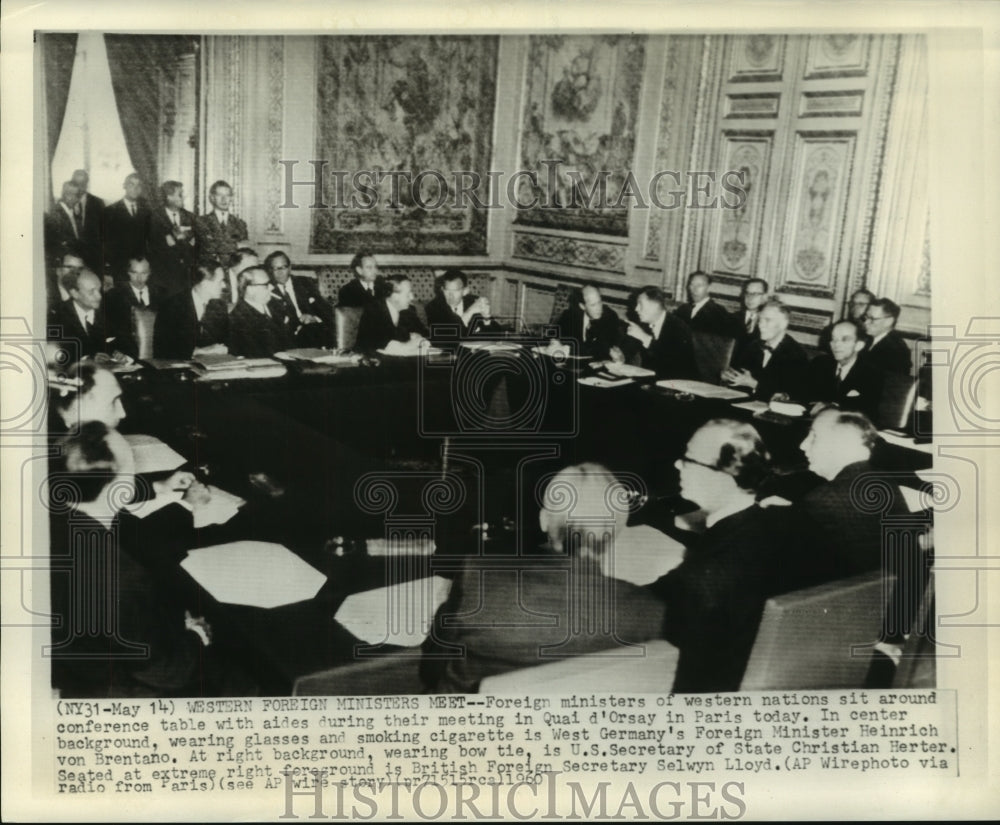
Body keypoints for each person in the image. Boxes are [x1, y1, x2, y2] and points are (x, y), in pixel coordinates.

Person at [422, 463, 667, 693]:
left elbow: (431, 668)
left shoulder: (480, 582)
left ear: (543, 520)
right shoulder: (648, 612)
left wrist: (447, 608)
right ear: (616, 531)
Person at [47, 421, 221, 697]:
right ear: (120, 483)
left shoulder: (48, 521)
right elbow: (165, 672)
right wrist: (195, 637)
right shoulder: (121, 578)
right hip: (108, 692)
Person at [647, 419, 804, 692]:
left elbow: (640, 611)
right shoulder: (779, 526)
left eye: (688, 459)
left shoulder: (706, 576)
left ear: (725, 475)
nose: (677, 465)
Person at [723, 299, 809, 401]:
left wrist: (753, 384)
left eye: (767, 320)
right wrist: (728, 376)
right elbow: (740, 375)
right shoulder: (754, 346)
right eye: (760, 320)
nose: (760, 325)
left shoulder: (796, 354)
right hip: (746, 404)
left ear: (783, 324)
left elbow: (789, 396)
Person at [807, 319, 882, 421]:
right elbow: (804, 394)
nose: (836, 344)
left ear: (859, 345)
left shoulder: (871, 374)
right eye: (833, 339)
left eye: (845, 339)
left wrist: (832, 408)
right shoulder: (820, 363)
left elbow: (867, 413)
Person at [153, 263, 230, 359]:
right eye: (220, 281)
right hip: (180, 366)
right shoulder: (172, 306)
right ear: (205, 283)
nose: (224, 286)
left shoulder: (219, 306)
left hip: (212, 365)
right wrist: (201, 351)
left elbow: (226, 340)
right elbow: (163, 348)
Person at [264, 250, 334, 348]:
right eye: (275, 269)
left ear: (290, 268)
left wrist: (315, 318)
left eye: (283, 267)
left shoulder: (306, 283)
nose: (280, 272)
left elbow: (326, 310)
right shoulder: (266, 290)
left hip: (314, 331)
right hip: (288, 337)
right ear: (270, 271)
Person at [47, 268, 121, 360]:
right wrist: (88, 359)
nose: (99, 296)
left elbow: (125, 344)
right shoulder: (57, 317)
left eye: (99, 289)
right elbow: (59, 357)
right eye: (91, 292)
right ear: (74, 293)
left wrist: (121, 354)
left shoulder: (111, 310)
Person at [624, 286, 697, 379]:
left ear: (655, 305)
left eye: (640, 304)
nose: (636, 309)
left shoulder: (678, 327)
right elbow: (630, 351)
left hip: (678, 384)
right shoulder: (643, 325)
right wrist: (621, 356)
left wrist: (645, 338)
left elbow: (671, 364)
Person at [104, 257, 163, 359]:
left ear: (150, 273)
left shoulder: (161, 294)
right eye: (134, 273)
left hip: (158, 356)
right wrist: (113, 351)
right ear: (128, 272)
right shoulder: (113, 296)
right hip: (126, 357)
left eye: (144, 273)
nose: (139, 278)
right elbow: (107, 330)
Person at [229, 266, 293, 357]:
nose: (271, 287)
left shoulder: (276, 307)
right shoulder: (238, 318)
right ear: (250, 289)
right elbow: (251, 353)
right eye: (266, 284)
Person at [355, 273, 429, 353]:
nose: (412, 297)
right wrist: (406, 345)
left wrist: (420, 338)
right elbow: (372, 344)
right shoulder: (373, 311)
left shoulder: (409, 311)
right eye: (408, 294)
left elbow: (424, 333)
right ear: (394, 295)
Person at [147, 181, 197, 296]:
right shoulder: (153, 218)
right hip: (163, 279)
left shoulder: (192, 218)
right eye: (180, 194)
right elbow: (154, 249)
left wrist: (176, 241)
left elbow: (196, 246)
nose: (183, 197)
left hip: (186, 278)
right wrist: (180, 241)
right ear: (169, 197)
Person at [425, 269, 503, 340]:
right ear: (442, 290)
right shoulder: (434, 307)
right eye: (447, 291)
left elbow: (498, 336)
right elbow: (449, 338)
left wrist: (487, 318)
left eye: (455, 291)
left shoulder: (473, 302)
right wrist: (469, 312)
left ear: (465, 291)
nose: (450, 296)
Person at [554, 285, 625, 361]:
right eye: (593, 305)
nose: (599, 308)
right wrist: (554, 342)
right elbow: (556, 335)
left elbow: (599, 349)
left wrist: (566, 349)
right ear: (582, 306)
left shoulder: (610, 317)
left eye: (599, 302)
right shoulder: (570, 315)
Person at [103, 173, 151, 283]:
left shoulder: (147, 211)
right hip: (119, 268)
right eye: (131, 184)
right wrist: (108, 270)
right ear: (124, 186)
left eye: (139, 185)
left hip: (141, 268)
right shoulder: (110, 212)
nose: (135, 188)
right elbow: (106, 244)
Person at [194, 179, 249, 265]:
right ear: (212, 197)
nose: (224, 199)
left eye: (227, 195)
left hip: (234, 268)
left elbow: (245, 250)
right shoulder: (202, 221)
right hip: (210, 268)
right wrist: (236, 245)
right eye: (219, 195)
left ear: (231, 198)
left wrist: (218, 242)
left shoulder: (240, 223)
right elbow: (208, 247)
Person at [672, 271, 732, 336]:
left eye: (699, 285)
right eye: (692, 284)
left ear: (709, 288)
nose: (694, 289)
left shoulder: (718, 312)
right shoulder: (683, 309)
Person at [863, 297, 913, 377]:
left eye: (872, 319)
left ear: (888, 322)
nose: (866, 322)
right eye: (866, 317)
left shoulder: (897, 350)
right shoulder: (868, 339)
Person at [70, 169, 106, 274]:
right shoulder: (66, 202)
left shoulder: (98, 203)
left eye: (83, 183)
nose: (80, 187)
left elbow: (103, 234)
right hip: (73, 260)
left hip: (94, 261)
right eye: (76, 183)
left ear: (87, 184)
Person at [44, 181, 83, 266]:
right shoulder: (55, 214)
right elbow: (54, 245)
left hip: (76, 261)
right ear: (67, 195)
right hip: (64, 264)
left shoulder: (74, 213)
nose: (78, 200)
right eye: (77, 196)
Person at [729, 277, 768, 358]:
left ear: (764, 297)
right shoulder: (732, 318)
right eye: (747, 293)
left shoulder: (768, 323)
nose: (750, 298)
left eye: (755, 294)